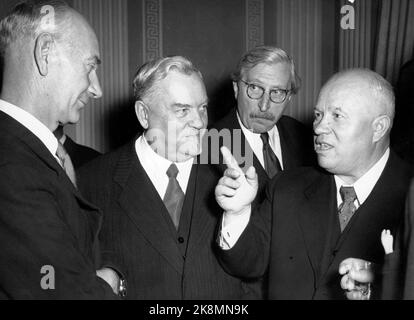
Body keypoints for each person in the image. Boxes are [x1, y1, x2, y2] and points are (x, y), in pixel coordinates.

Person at [214, 68, 412, 299]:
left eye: (337, 116)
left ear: (378, 127)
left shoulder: (409, 193)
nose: (318, 128)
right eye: (318, 115)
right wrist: (237, 213)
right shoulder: (286, 188)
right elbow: (247, 266)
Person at [79, 56, 254, 299]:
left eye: (202, 108)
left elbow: (254, 273)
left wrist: (238, 215)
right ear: (144, 114)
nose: (199, 122)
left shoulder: (233, 172)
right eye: (182, 110)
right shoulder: (90, 182)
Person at [0, 0, 121, 299]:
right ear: (45, 52)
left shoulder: (23, 151)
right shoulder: (7, 165)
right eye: (90, 67)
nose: (97, 88)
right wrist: (110, 284)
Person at [212, 45, 315, 204]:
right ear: (236, 88)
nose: (264, 105)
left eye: (277, 92)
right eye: (254, 88)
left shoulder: (303, 136)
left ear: (289, 97)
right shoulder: (209, 143)